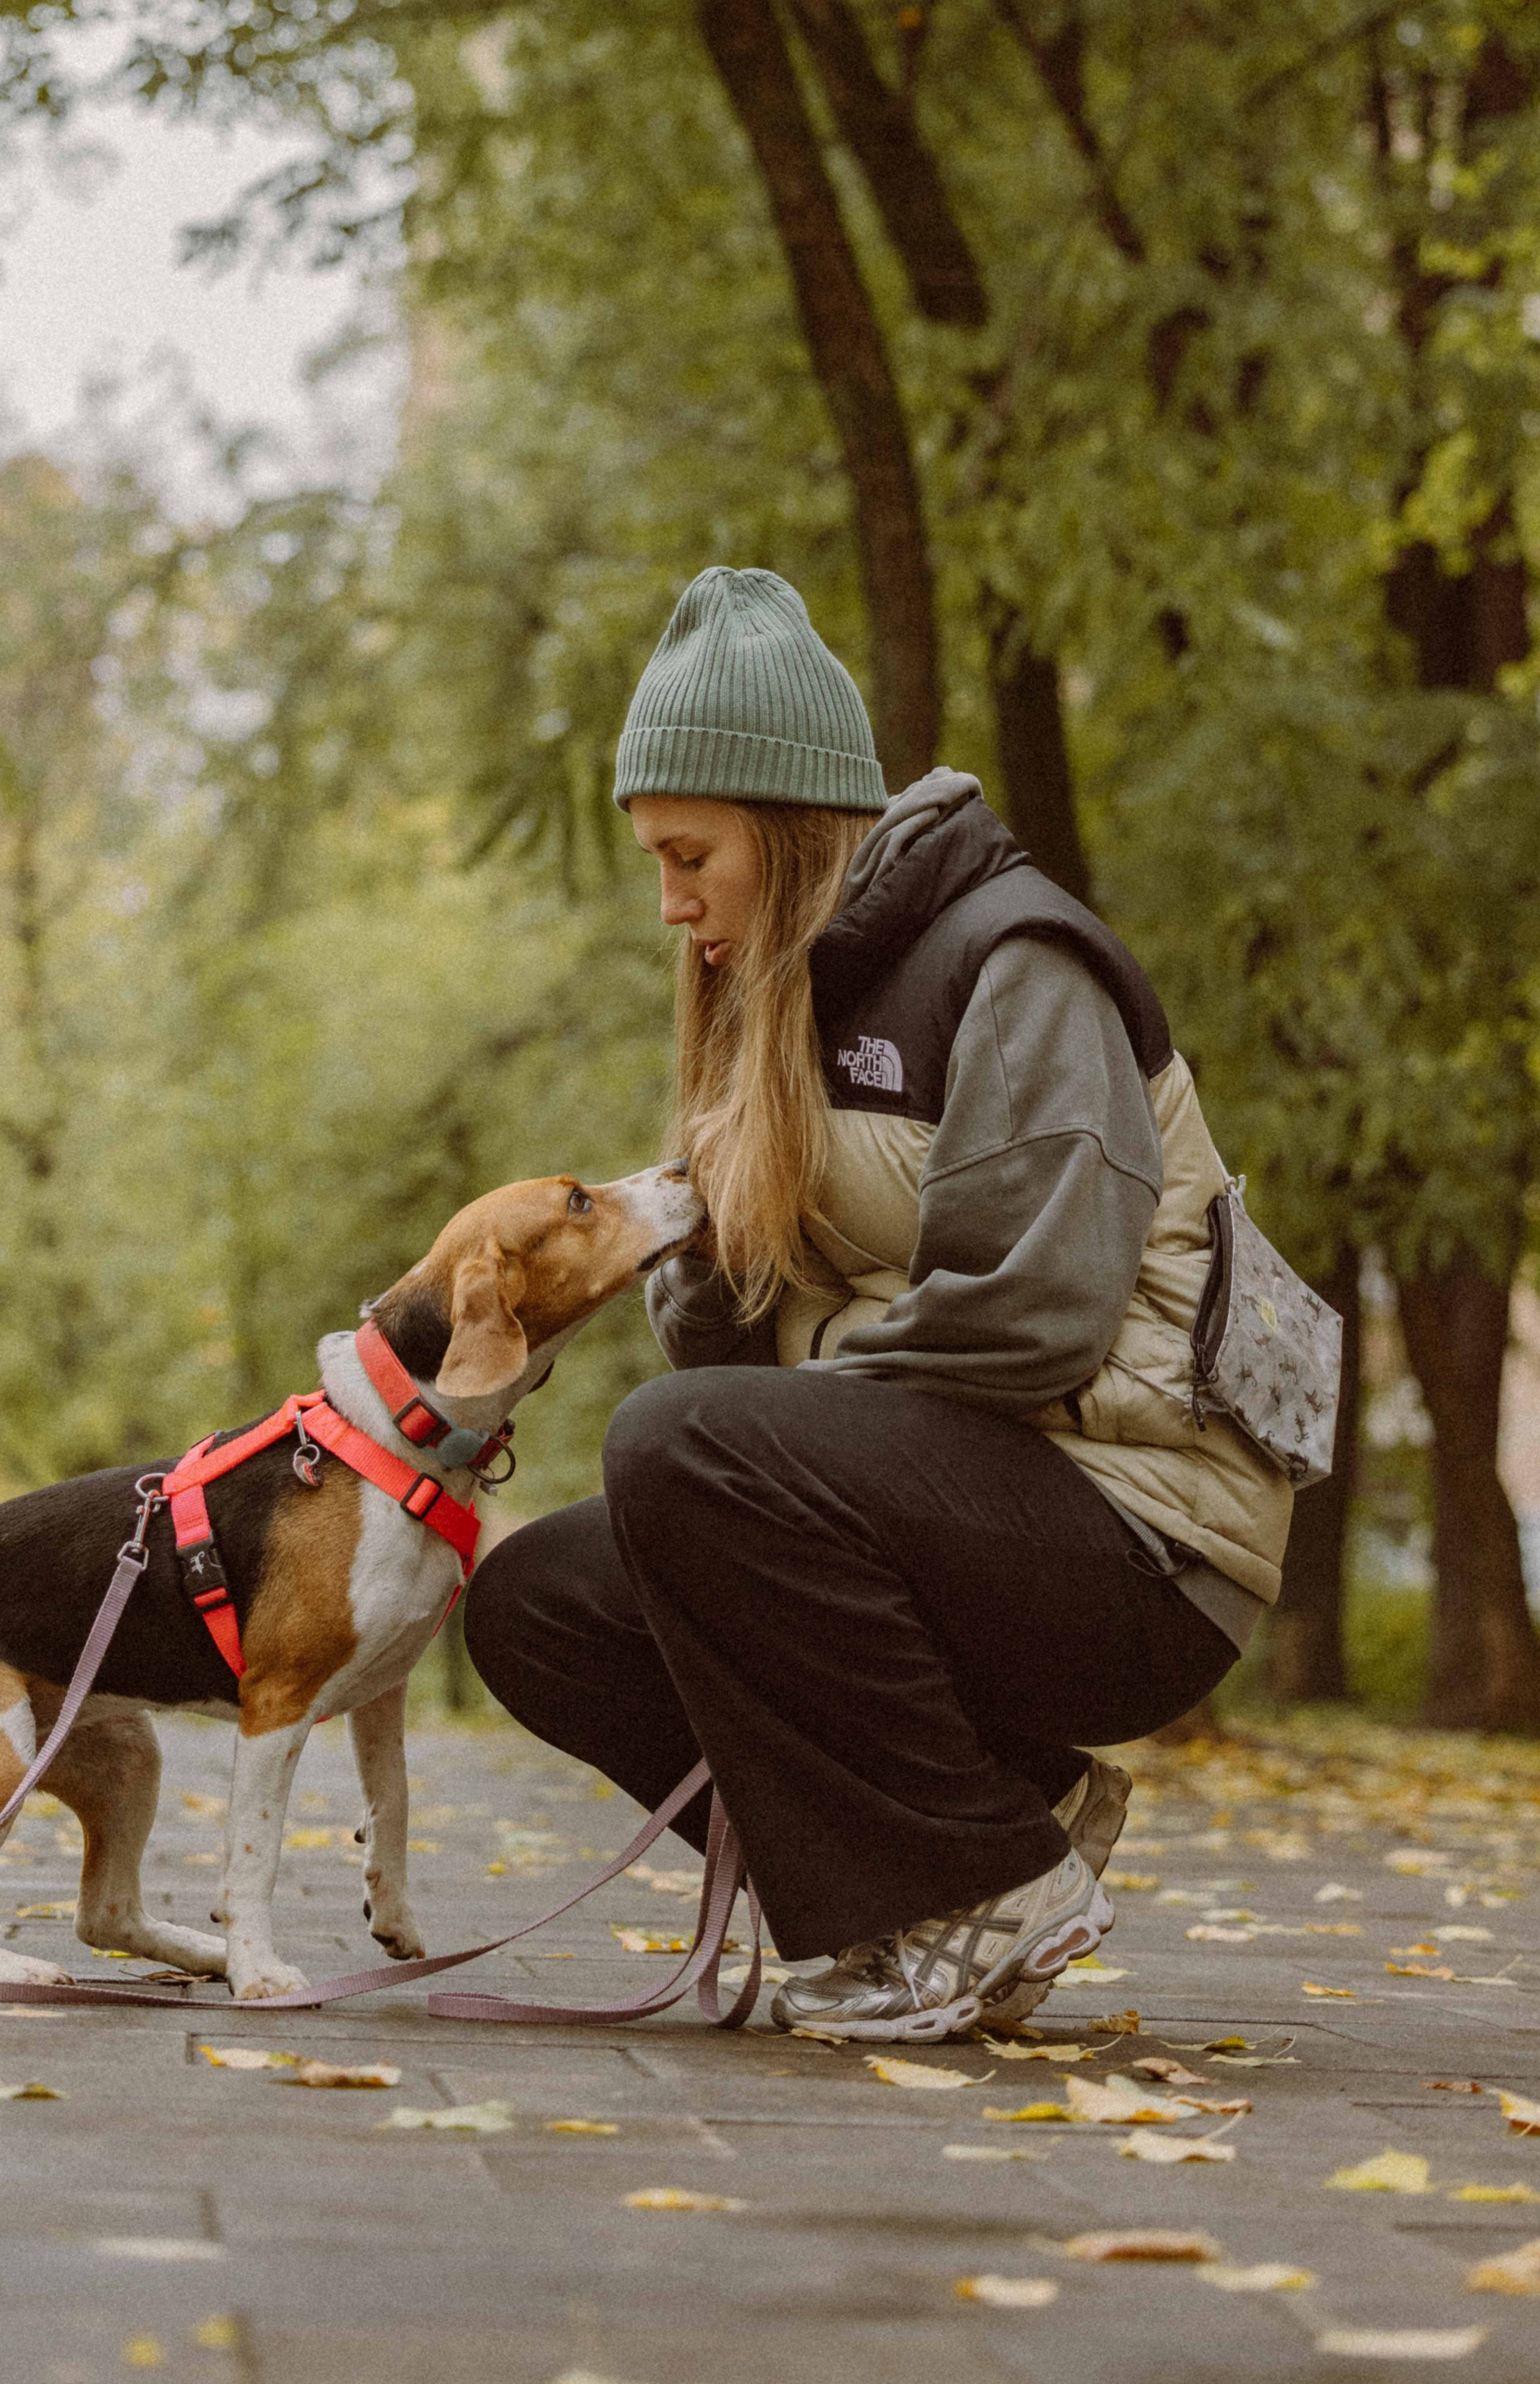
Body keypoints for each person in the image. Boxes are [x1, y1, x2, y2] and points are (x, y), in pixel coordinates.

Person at [464, 565, 1290, 2039]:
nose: (671, 902)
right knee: (538, 1607)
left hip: (1144, 1537)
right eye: (655, 861)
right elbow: (730, 1348)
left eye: (691, 854)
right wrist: (704, 1254)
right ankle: (994, 1819)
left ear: (784, 828)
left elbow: (1039, 1309)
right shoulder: (782, 1001)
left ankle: (988, 1890)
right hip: (959, 1511)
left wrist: (782, 1384)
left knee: (681, 1450)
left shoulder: (1012, 957)